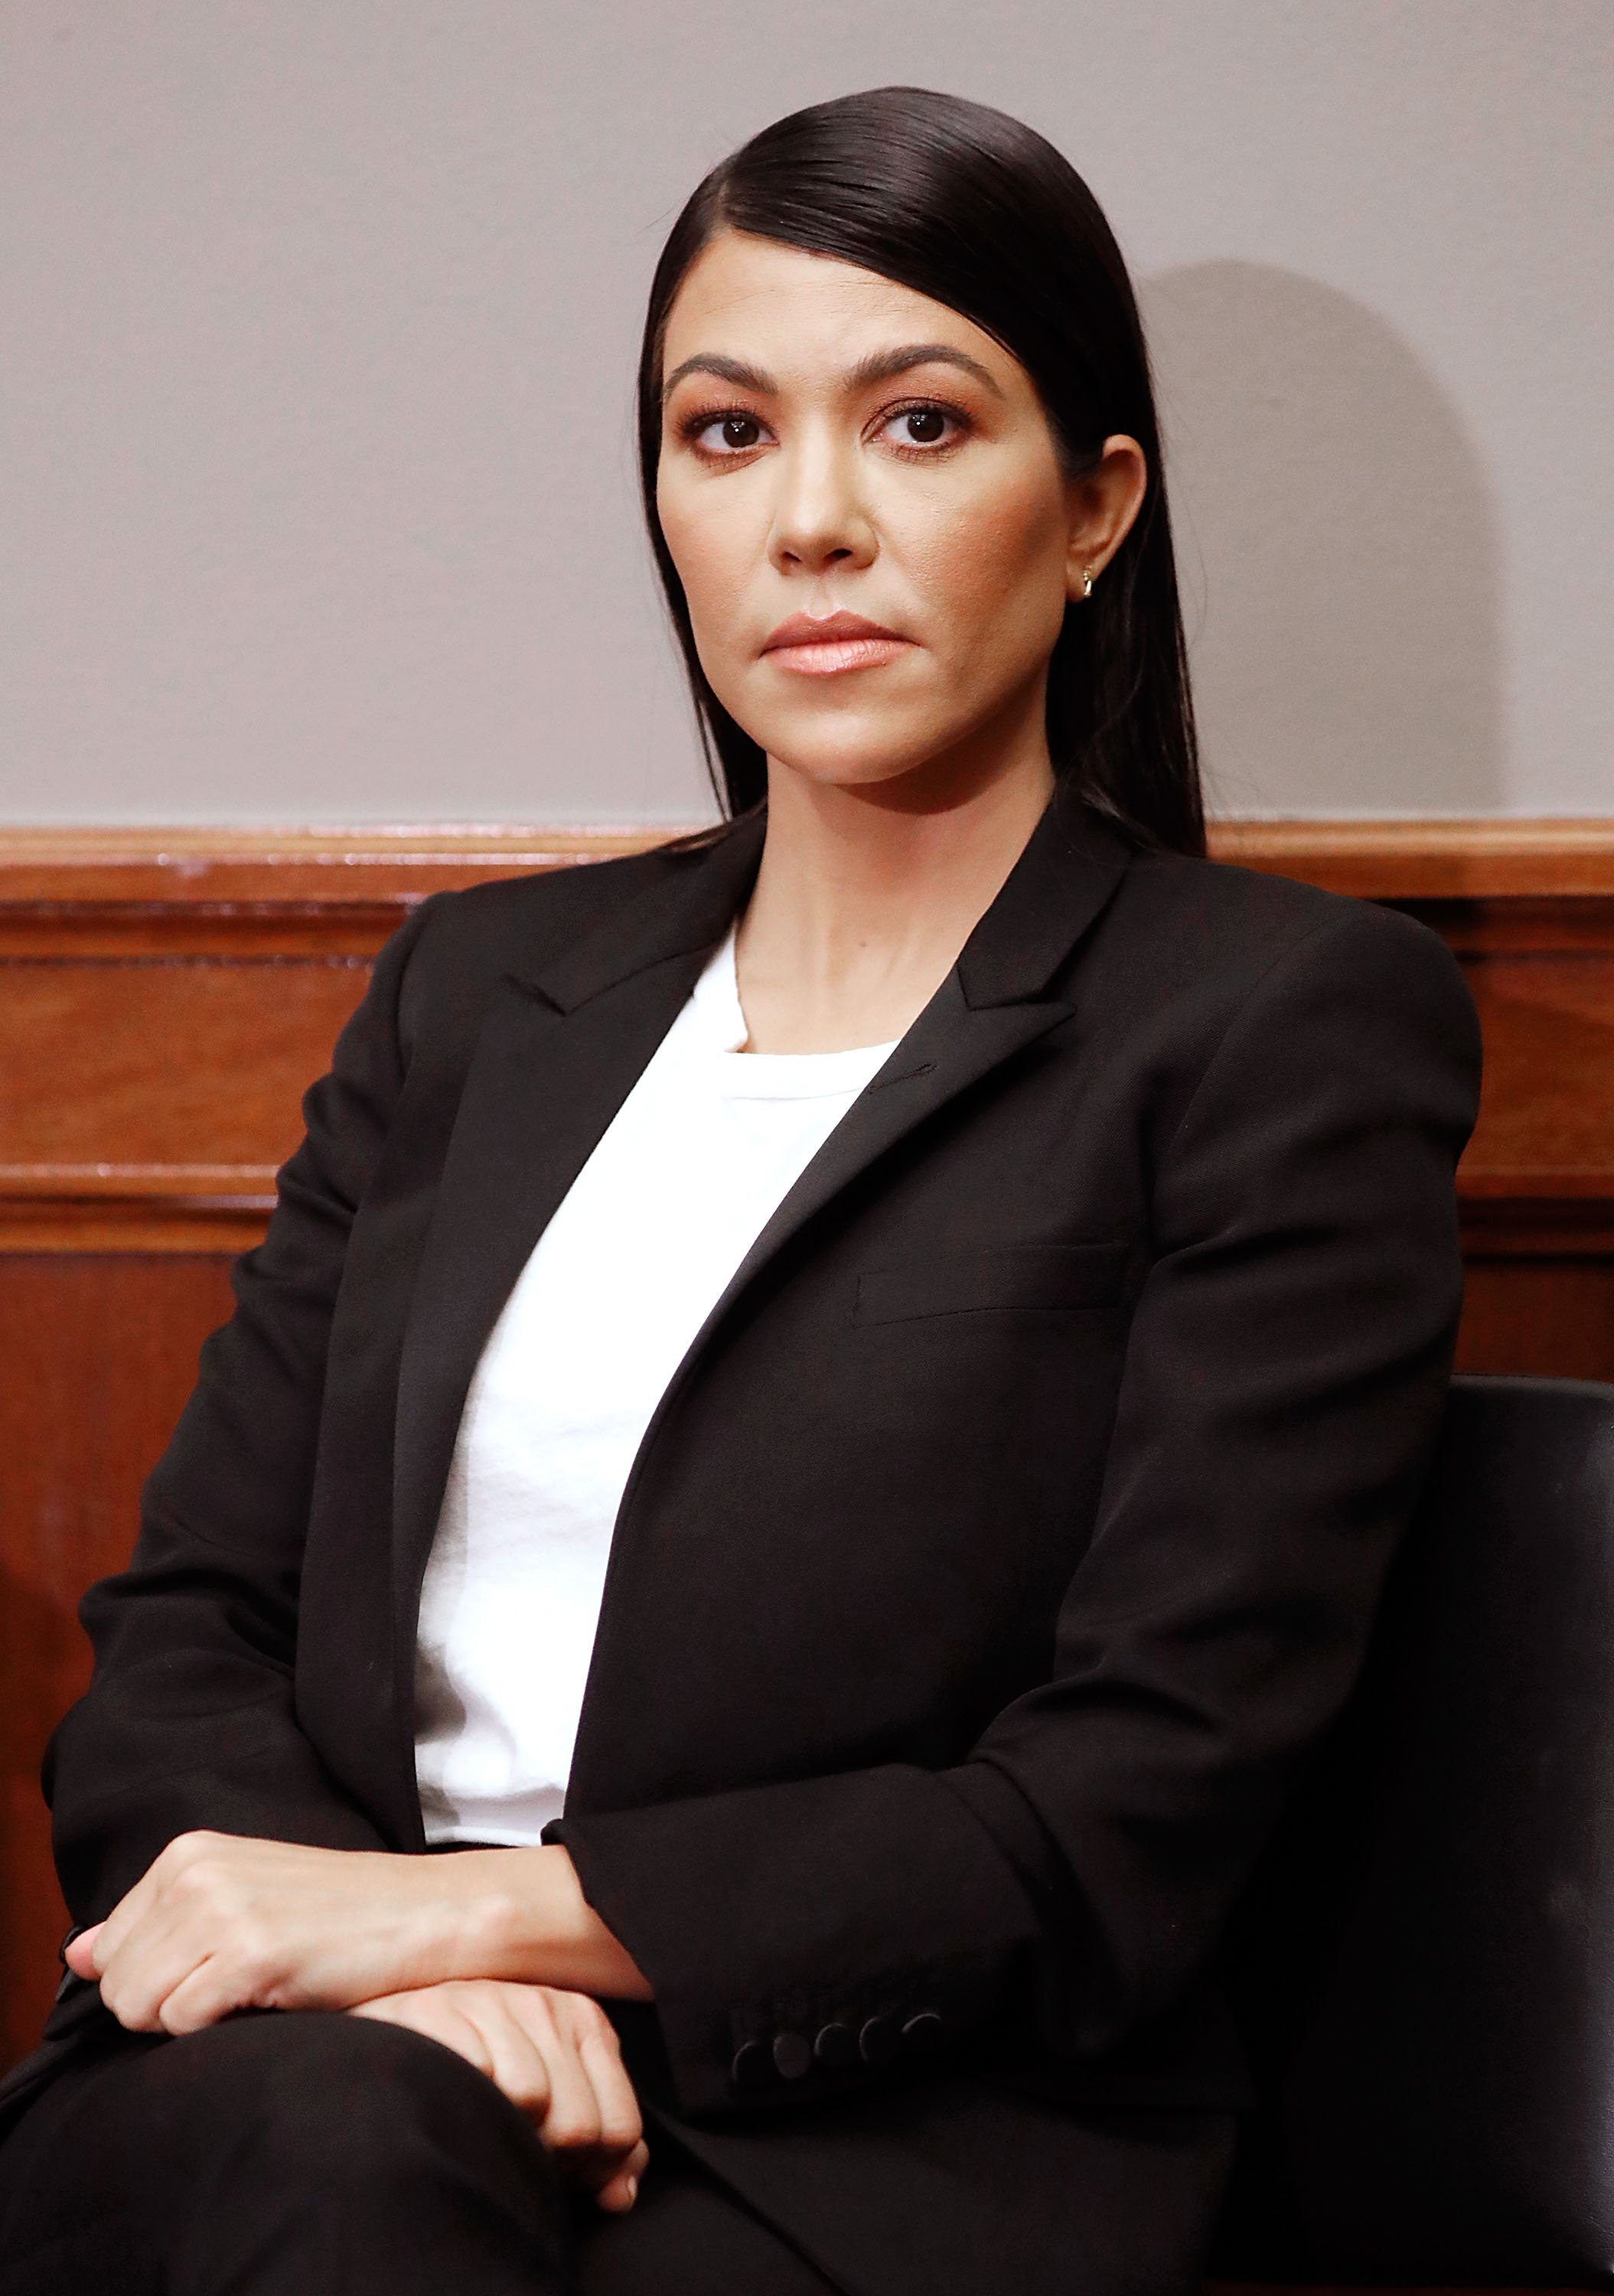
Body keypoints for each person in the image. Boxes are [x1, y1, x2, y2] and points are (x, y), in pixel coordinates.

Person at [0, 84, 1480, 2296]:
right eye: (724, 433)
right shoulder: (478, 997)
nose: (809, 522)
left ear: (1095, 511)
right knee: (318, 2153)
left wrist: (477, 1917)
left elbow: (1127, 1808)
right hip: (314, 2072)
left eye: (917, 424)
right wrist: (392, 1978)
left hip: (875, 2152)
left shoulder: (1277, 1028)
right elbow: (185, 1635)